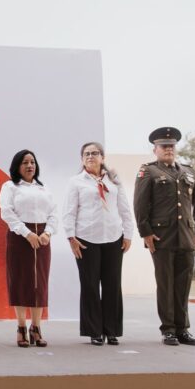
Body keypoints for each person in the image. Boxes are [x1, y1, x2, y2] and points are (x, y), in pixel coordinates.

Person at [133, 127, 195, 346]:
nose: (168, 149)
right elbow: (140, 206)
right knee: (165, 285)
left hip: (185, 237)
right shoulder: (149, 172)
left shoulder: (189, 172)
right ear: (155, 149)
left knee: (183, 286)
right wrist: (146, 233)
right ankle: (168, 330)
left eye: (171, 146)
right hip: (161, 238)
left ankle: (183, 329)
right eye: (164, 146)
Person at [63, 142, 134, 346]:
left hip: (113, 238)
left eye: (95, 153)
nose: (90, 156)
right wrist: (71, 237)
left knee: (112, 286)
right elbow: (69, 212)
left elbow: (125, 209)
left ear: (102, 157)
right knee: (90, 286)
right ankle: (94, 331)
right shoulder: (76, 182)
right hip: (86, 239)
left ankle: (111, 331)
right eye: (86, 154)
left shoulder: (113, 181)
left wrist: (128, 234)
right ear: (81, 158)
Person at [0, 149, 57, 348]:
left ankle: (37, 327)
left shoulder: (44, 187)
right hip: (19, 236)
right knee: (21, 281)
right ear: (17, 166)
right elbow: (7, 212)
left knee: (39, 283)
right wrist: (27, 234)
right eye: (25, 162)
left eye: (32, 162)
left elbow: (53, 212)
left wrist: (47, 233)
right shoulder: (10, 186)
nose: (30, 165)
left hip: (42, 238)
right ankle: (22, 327)